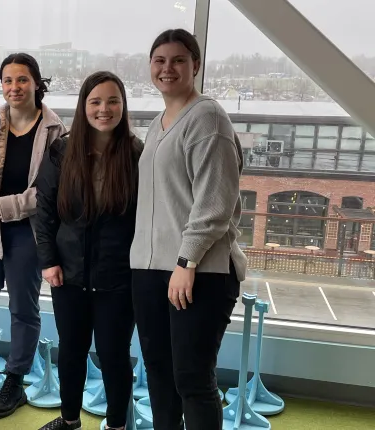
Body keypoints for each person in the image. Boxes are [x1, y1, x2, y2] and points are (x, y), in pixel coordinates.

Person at [129, 28, 247, 430]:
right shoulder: (158, 122)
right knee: (159, 376)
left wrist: (187, 259)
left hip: (197, 271)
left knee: (192, 380)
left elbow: (216, 202)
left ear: (195, 65)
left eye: (179, 60)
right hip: (150, 268)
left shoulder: (208, 117)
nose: (168, 68)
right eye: (159, 60)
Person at [0, 52, 67, 419]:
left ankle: (14, 382)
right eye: (7, 80)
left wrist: (11, 206)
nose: (14, 87)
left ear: (37, 83)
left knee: (24, 309)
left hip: (30, 234)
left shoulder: (56, 131)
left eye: (22, 79)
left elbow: (54, 192)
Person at [33, 71, 142, 430]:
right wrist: (48, 261)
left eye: (113, 101)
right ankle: (69, 420)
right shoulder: (62, 150)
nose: (104, 109)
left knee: (113, 356)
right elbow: (45, 208)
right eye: (95, 101)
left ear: (123, 106)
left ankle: (115, 425)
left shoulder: (137, 153)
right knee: (72, 353)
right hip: (69, 274)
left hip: (117, 278)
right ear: (83, 106)